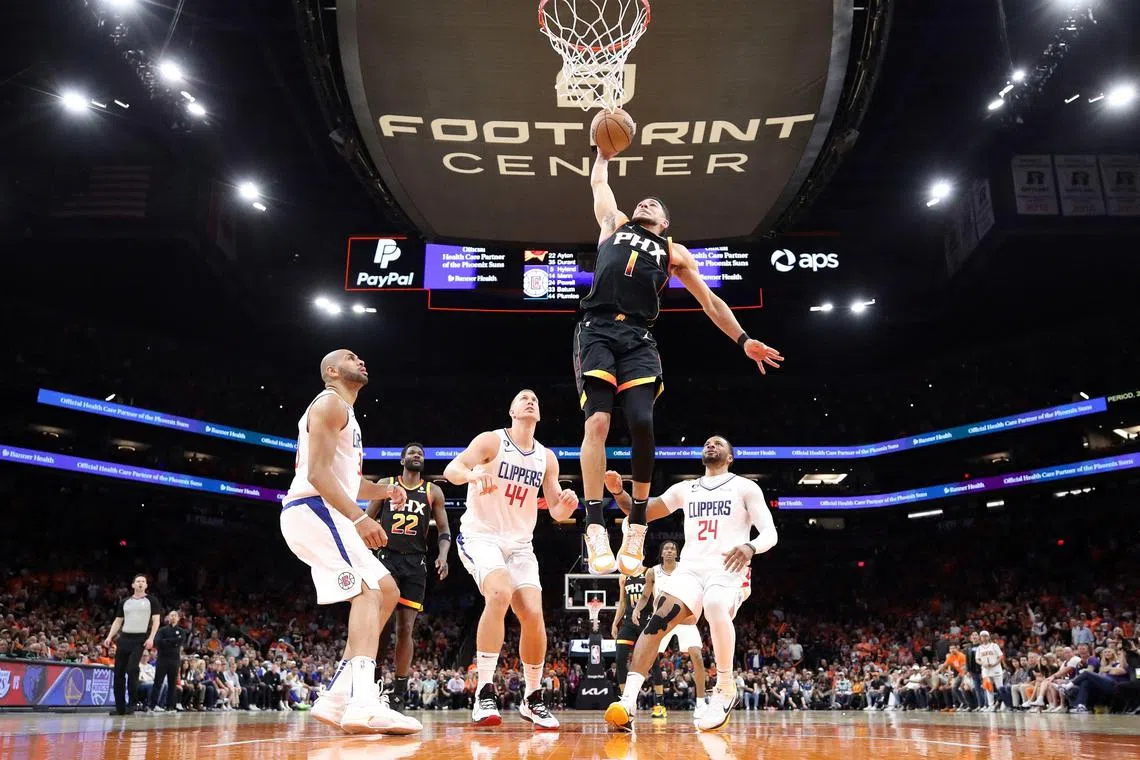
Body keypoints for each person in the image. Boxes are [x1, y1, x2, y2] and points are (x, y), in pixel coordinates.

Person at [577, 150, 784, 578]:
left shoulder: (674, 251)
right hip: (596, 329)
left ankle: (636, 523)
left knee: (641, 423)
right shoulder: (613, 223)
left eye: (654, 204)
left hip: (638, 338)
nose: (645, 203)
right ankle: (595, 524)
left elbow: (709, 301)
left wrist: (743, 340)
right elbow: (599, 183)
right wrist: (602, 153)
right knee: (596, 422)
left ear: (665, 222)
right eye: (642, 202)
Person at [278, 348, 421, 735]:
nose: (361, 361)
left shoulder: (347, 413)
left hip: (325, 510)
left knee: (387, 590)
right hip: (313, 509)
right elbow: (319, 474)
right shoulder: (329, 404)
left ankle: (337, 696)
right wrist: (360, 518)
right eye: (351, 357)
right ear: (332, 370)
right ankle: (363, 703)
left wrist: (384, 489)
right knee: (367, 594)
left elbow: (349, 482)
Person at [602, 435, 777, 731]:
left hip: (728, 568)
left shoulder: (746, 487)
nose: (711, 445)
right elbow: (641, 510)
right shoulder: (687, 489)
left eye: (719, 444)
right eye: (707, 443)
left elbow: (770, 533)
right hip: (691, 571)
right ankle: (627, 702)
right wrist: (619, 492)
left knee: (714, 604)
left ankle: (724, 689)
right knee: (656, 621)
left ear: (730, 457)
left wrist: (750, 548)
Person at [444, 389, 579, 729]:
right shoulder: (492, 441)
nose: (531, 400)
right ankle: (484, 691)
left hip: (519, 545)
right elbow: (452, 469)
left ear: (539, 414)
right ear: (512, 410)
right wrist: (473, 475)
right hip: (480, 535)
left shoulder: (546, 458)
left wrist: (567, 502)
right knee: (500, 593)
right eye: (523, 398)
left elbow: (557, 512)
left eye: (536, 398)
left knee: (533, 613)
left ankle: (533, 698)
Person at [366, 441, 452, 710]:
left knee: (405, 629)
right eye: (412, 453)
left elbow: (445, 532)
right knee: (379, 626)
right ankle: (373, 681)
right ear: (402, 460)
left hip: (416, 565)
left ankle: (399, 691)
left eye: (421, 454)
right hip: (386, 559)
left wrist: (443, 556)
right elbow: (367, 519)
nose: (417, 456)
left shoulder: (432, 491)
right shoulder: (386, 484)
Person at [629, 539, 707, 721]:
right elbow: (645, 596)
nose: (670, 551)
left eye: (673, 548)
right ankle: (630, 700)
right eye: (667, 548)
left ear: (677, 553)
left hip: (684, 617)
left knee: (697, 656)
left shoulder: (686, 570)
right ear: (662, 553)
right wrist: (637, 609)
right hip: (662, 620)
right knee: (646, 657)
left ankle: (702, 703)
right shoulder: (652, 572)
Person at [103, 573, 161, 716]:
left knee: (132, 668)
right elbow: (118, 621)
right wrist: (110, 636)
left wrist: (151, 638)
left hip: (139, 638)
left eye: (143, 581)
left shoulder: (151, 600)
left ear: (146, 585)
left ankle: (132, 703)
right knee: (118, 673)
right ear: (133, 585)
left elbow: (156, 621)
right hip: (124, 638)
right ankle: (120, 707)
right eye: (138, 581)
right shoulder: (125, 601)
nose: (140, 583)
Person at [611, 566, 648, 692]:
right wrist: (615, 623)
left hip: (646, 622)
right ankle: (625, 698)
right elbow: (622, 603)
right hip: (628, 623)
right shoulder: (623, 576)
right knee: (620, 658)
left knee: (652, 662)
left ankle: (659, 703)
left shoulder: (649, 572)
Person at [149, 610, 188, 712]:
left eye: (175, 615)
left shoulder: (182, 631)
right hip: (162, 659)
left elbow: (180, 641)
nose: (173, 617)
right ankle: (153, 705)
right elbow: (158, 642)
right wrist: (173, 641)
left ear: (178, 618)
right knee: (158, 682)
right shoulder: (162, 630)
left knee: (172, 684)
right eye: (171, 615)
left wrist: (166, 641)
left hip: (175, 660)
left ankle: (170, 706)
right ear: (168, 617)